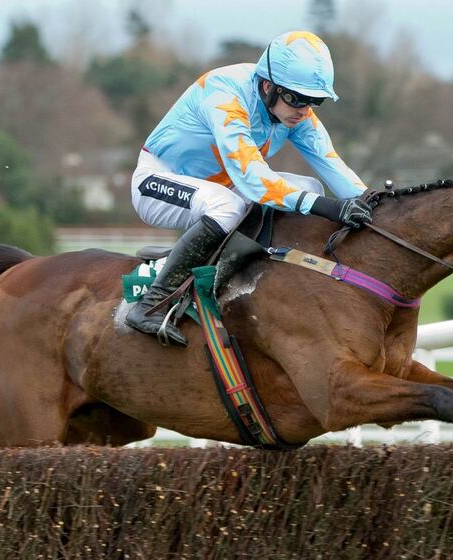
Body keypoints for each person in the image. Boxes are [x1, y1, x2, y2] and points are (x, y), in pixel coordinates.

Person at [126, 30, 373, 346]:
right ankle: (151, 305)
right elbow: (254, 180)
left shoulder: (294, 114)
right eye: (296, 98)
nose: (304, 109)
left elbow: (333, 166)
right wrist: (327, 207)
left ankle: (249, 277)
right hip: (156, 181)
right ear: (268, 87)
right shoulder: (225, 96)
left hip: (223, 187)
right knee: (229, 206)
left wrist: (372, 203)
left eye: (315, 101)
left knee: (309, 185)